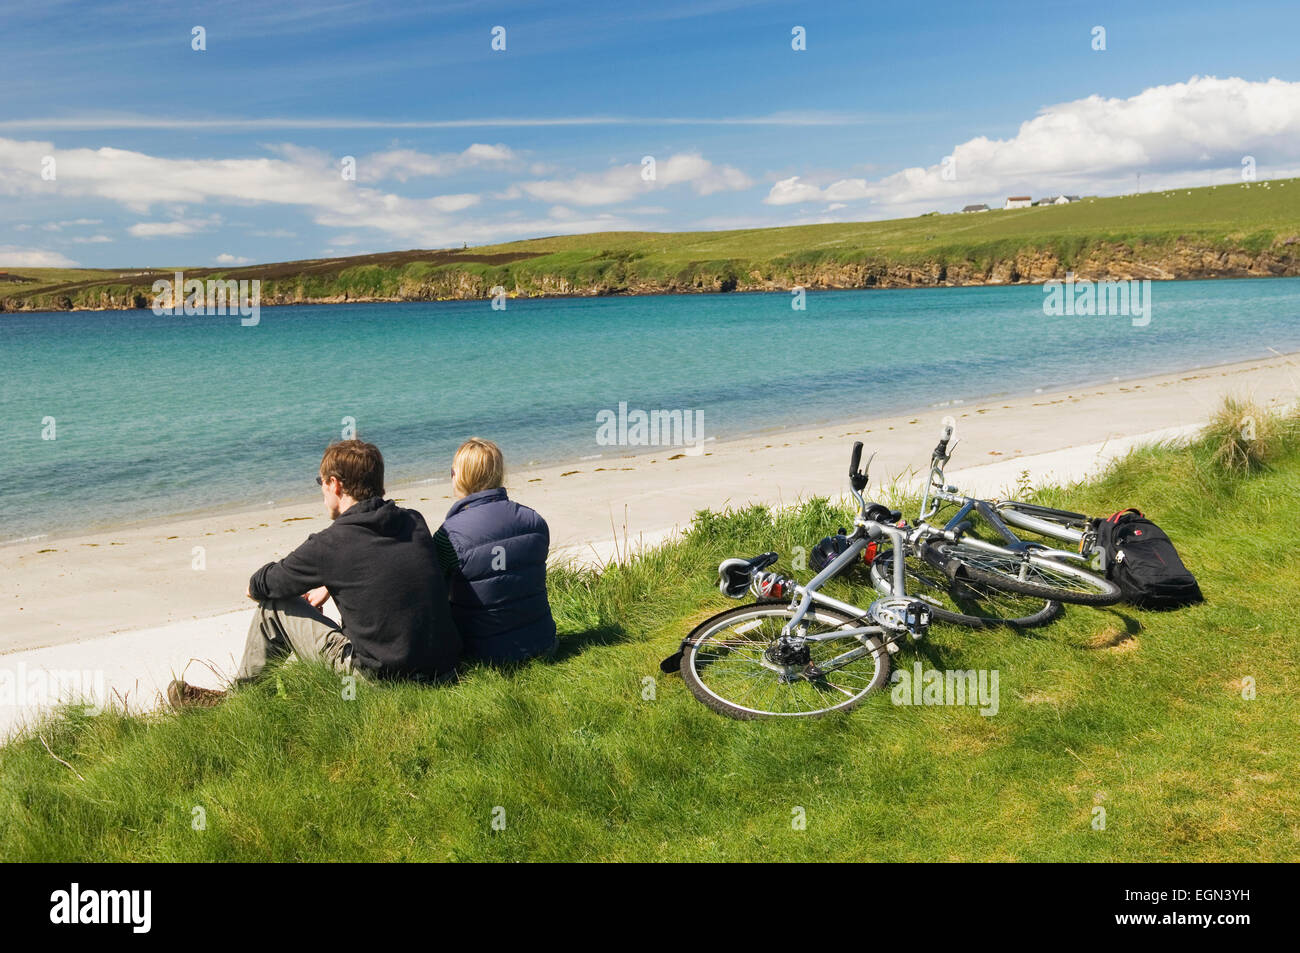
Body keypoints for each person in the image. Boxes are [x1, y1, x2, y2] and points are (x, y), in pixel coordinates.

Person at [167, 439, 462, 707]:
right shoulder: (413, 521)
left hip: (382, 682)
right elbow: (380, 565)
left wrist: (262, 587)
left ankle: (238, 705)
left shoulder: (331, 545)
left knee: (274, 610)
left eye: (320, 482)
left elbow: (264, 584)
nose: (321, 488)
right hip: (444, 670)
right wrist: (330, 583)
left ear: (335, 484)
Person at [432, 438, 557, 665]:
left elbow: (434, 597)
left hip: (481, 655)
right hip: (544, 644)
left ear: (458, 477)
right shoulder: (535, 522)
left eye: (452, 472)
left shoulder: (448, 536)